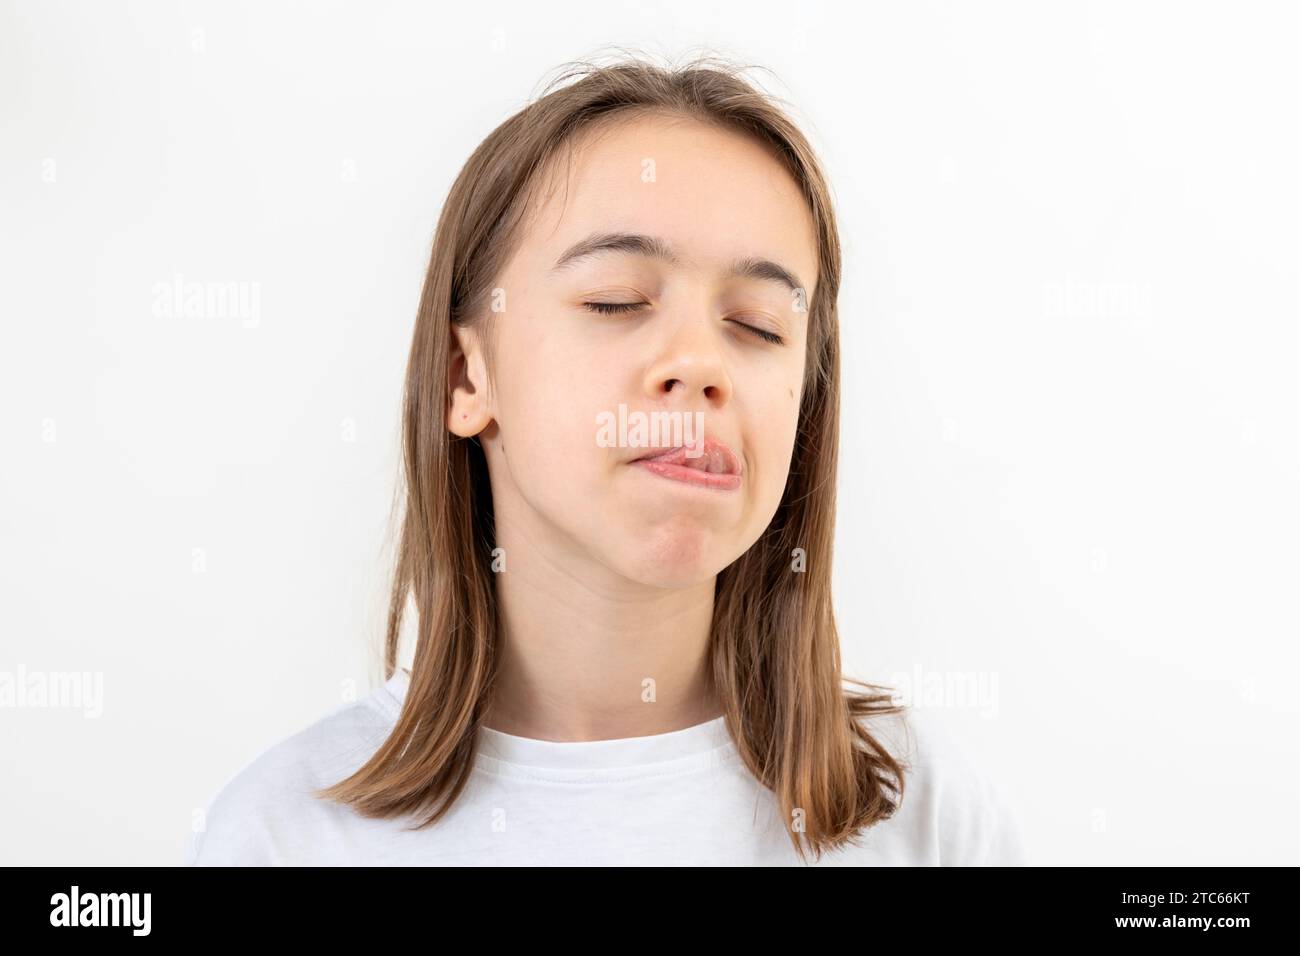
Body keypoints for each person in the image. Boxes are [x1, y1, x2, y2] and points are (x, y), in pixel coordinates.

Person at [185, 53, 1028, 866]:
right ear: (465, 376)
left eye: (761, 326)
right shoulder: (284, 837)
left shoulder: (922, 817)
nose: (700, 363)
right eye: (615, 301)